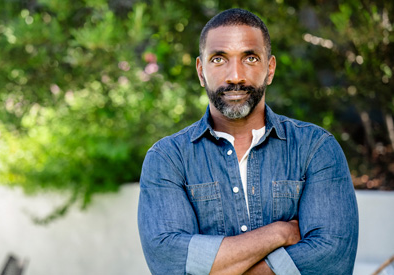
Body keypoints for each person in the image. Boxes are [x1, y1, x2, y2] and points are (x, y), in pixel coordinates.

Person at [137, 8, 358, 275]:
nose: (235, 76)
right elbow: (169, 262)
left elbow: (332, 261)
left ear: (270, 68)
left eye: (250, 58)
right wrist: (278, 233)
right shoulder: (168, 158)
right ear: (200, 71)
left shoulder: (316, 148)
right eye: (219, 59)